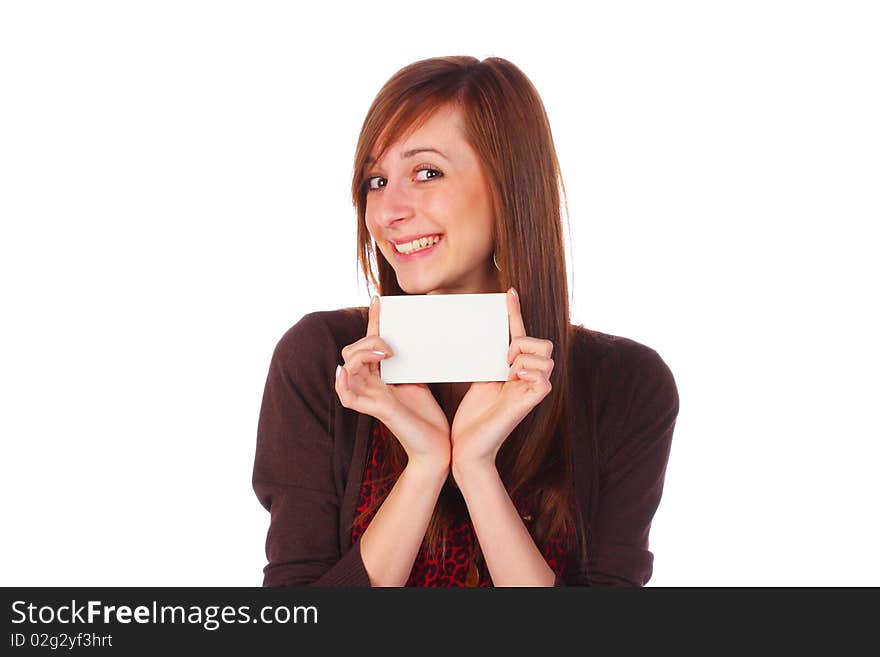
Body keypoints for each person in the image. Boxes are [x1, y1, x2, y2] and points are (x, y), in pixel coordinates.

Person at [252, 56, 680, 587]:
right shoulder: (323, 360)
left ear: (509, 188)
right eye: (376, 181)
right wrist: (426, 465)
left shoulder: (626, 384)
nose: (388, 212)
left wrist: (477, 469)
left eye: (426, 172)